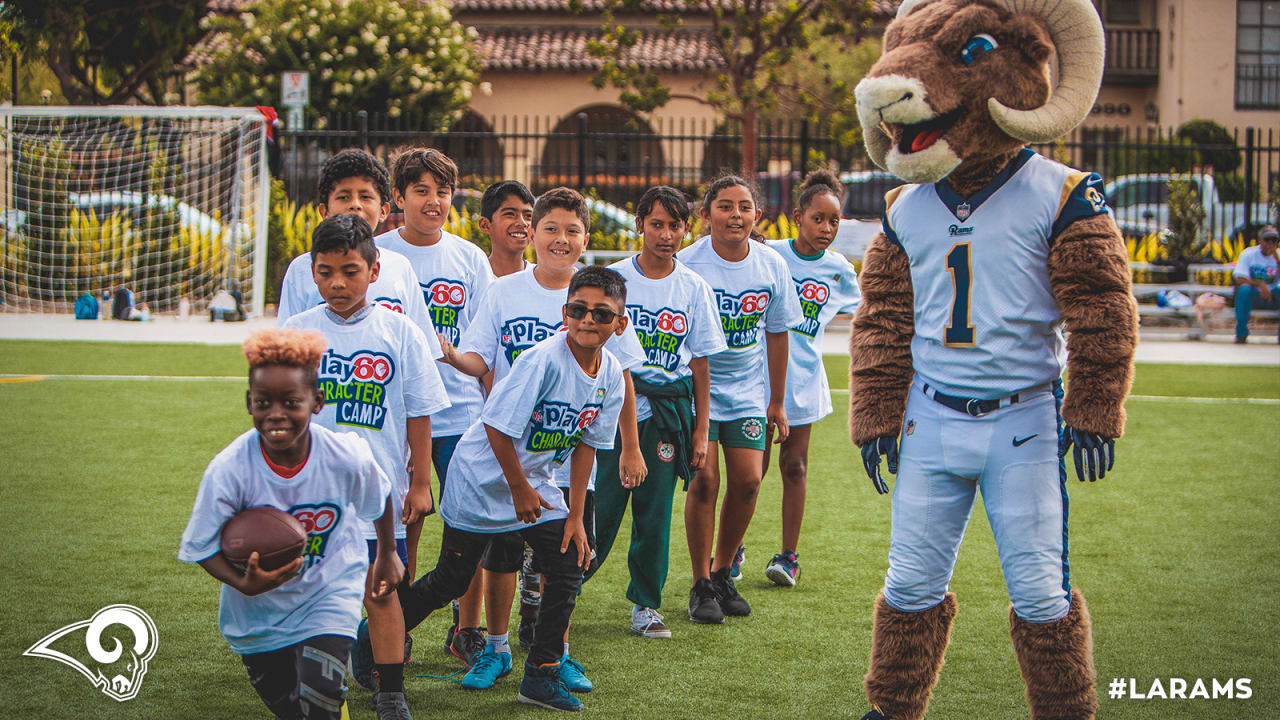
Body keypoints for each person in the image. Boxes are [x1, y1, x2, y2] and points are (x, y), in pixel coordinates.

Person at [356, 266, 631, 712]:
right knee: (451, 579)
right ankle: (373, 639)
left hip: (534, 483)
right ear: (565, 313)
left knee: (567, 563)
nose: (588, 320)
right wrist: (519, 489)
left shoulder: (612, 374)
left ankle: (541, 674)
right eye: (579, 309)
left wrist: (575, 516)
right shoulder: (541, 361)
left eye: (601, 314)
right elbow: (497, 430)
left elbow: (586, 447)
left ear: (619, 324)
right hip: (483, 481)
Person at [440, 187, 648, 693]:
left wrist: (632, 445)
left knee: (568, 559)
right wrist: (452, 356)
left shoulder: (603, 296)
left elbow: (620, 378)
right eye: (550, 228)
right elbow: (482, 358)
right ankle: (495, 648)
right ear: (532, 233)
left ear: (586, 239)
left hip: (571, 450)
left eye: (571, 230)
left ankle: (558, 655)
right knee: (501, 555)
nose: (560, 238)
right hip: (515, 451)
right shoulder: (505, 291)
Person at [178, 327, 402, 720]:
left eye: (291, 402)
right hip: (257, 613)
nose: (276, 414)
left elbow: (380, 495)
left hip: (328, 590)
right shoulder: (229, 469)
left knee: (322, 694)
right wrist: (244, 582)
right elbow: (202, 546)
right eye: (264, 402)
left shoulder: (345, 455)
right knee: (292, 710)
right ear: (250, 403)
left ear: (317, 402)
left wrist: (385, 554)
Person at [283, 213, 451, 720]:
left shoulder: (399, 332)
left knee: (382, 594)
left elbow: (420, 412)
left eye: (350, 270)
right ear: (312, 272)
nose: (337, 282)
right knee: (308, 595)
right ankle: (309, 685)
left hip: (378, 494)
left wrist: (421, 483)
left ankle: (389, 691)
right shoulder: (296, 333)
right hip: (309, 496)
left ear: (374, 272)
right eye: (326, 271)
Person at [588, 186, 726, 639]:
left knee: (655, 514)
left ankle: (646, 605)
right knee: (599, 511)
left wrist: (702, 430)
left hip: (667, 419)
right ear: (640, 225)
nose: (666, 234)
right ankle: (561, 589)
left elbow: (701, 362)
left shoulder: (693, 287)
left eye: (675, 225)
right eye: (657, 224)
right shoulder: (612, 279)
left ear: (688, 228)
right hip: (611, 415)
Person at [375, 147, 495, 664]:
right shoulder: (379, 254)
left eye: (442, 191)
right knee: (407, 524)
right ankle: (395, 626)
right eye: (421, 190)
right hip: (402, 418)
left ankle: (467, 629)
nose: (434, 201)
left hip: (462, 412)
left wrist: (492, 405)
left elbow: (488, 340)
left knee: (473, 525)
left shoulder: (469, 258)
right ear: (398, 197)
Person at [678, 175, 803, 623]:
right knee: (706, 482)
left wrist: (777, 400)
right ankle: (699, 585)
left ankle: (722, 571)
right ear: (706, 213)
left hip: (749, 391)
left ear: (757, 214)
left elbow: (777, 332)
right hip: (700, 389)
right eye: (725, 206)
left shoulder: (770, 265)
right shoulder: (689, 263)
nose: (735, 215)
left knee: (749, 480)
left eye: (744, 207)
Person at [763, 170, 861, 587]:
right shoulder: (770, 255)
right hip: (761, 379)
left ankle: (788, 557)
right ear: (799, 215)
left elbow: (865, 310)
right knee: (753, 470)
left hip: (804, 381)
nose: (826, 228)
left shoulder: (839, 270)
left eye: (834, 221)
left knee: (795, 466)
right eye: (817, 218)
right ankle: (730, 554)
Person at [277, 148, 444, 376]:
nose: (355, 205)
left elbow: (422, 350)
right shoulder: (301, 269)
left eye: (365, 197)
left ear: (384, 210)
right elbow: (288, 349)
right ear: (324, 210)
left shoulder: (399, 267)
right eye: (344, 196)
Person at [1232, 224, 1280, 343]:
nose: (1270, 243)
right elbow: (1239, 278)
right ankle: (1241, 334)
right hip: (1254, 296)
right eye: (1267, 239)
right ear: (1260, 240)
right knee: (1244, 290)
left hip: (1273, 295)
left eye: (1274, 240)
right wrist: (1260, 284)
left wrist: (1277, 260)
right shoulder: (1248, 254)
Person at [480, 180, 537, 278]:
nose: (522, 223)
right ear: (485, 225)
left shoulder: (540, 280)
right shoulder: (473, 279)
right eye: (510, 214)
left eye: (528, 216)